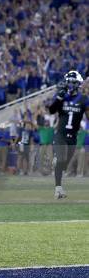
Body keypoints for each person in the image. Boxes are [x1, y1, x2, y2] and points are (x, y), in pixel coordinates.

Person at [48, 71, 89, 199]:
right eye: (69, 82)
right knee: (61, 159)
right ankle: (58, 189)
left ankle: (58, 166)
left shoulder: (83, 99)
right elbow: (51, 111)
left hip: (73, 137)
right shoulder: (61, 96)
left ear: (78, 84)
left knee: (65, 163)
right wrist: (59, 98)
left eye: (73, 82)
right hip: (61, 134)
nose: (70, 85)